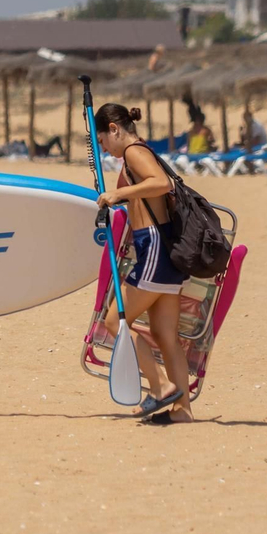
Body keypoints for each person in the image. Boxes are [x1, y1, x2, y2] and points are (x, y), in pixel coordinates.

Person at [93, 102, 193, 423]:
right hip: (166, 250)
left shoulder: (134, 152)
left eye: (103, 141)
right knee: (166, 335)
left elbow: (161, 182)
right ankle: (182, 412)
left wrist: (117, 195)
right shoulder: (138, 152)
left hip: (153, 248)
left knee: (113, 321)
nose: (105, 149)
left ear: (114, 129)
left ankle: (161, 387)